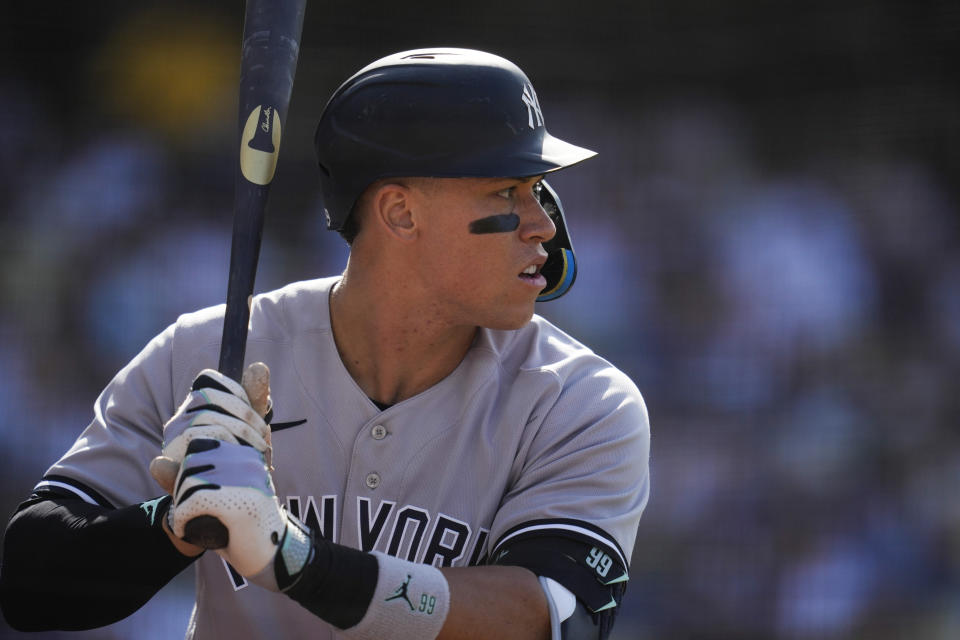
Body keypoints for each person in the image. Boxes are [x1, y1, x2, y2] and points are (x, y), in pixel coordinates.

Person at [0, 47, 650, 640]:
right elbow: (27, 584)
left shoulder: (580, 402)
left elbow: (543, 618)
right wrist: (173, 522)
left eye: (538, 191)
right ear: (400, 214)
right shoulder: (208, 353)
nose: (543, 224)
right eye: (508, 191)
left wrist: (296, 559)